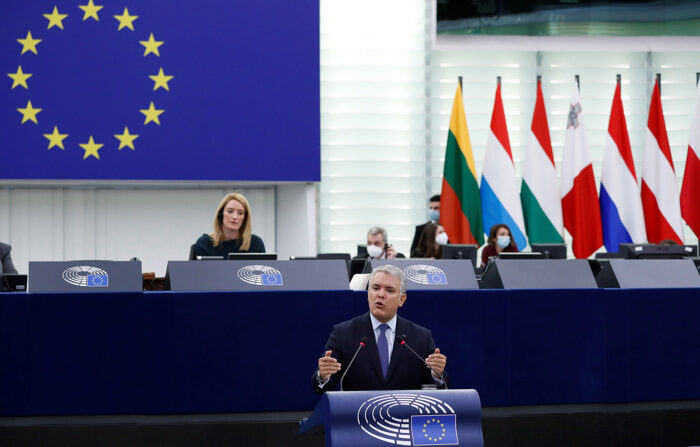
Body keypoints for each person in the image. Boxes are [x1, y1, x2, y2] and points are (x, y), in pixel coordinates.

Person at [313, 264, 448, 393]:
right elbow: (322, 387)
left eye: (389, 290)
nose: (381, 294)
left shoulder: (420, 337)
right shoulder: (343, 334)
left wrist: (437, 374)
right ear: (368, 293)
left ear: (402, 299)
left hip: (405, 413)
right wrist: (323, 375)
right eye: (376, 288)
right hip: (358, 413)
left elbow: (439, 386)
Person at [194, 193, 265, 257]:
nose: (234, 217)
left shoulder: (255, 243)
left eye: (240, 213)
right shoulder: (205, 243)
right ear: (221, 214)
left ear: (245, 218)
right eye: (230, 211)